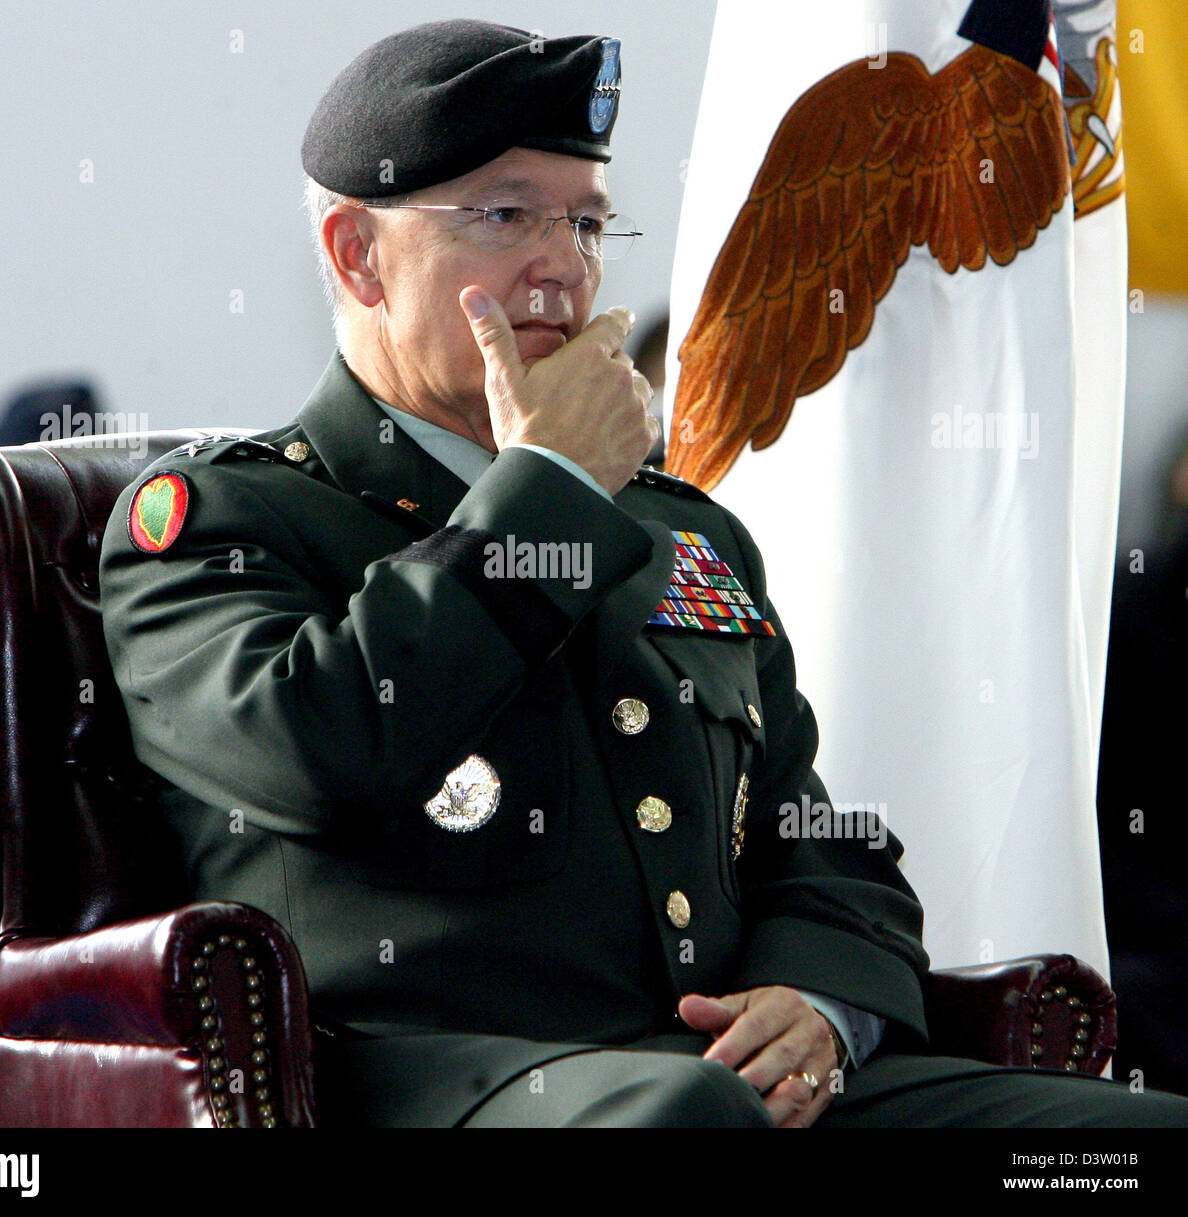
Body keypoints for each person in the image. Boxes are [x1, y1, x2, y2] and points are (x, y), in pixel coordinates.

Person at [100, 19, 1188, 1127]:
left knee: (1125, 1135)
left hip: (719, 1081)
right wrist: (550, 484)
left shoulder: (678, 530)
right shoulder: (223, 520)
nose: (561, 264)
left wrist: (817, 994)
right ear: (354, 253)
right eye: (503, 214)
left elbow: (813, 833)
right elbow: (319, 749)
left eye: (584, 220)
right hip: (440, 1086)